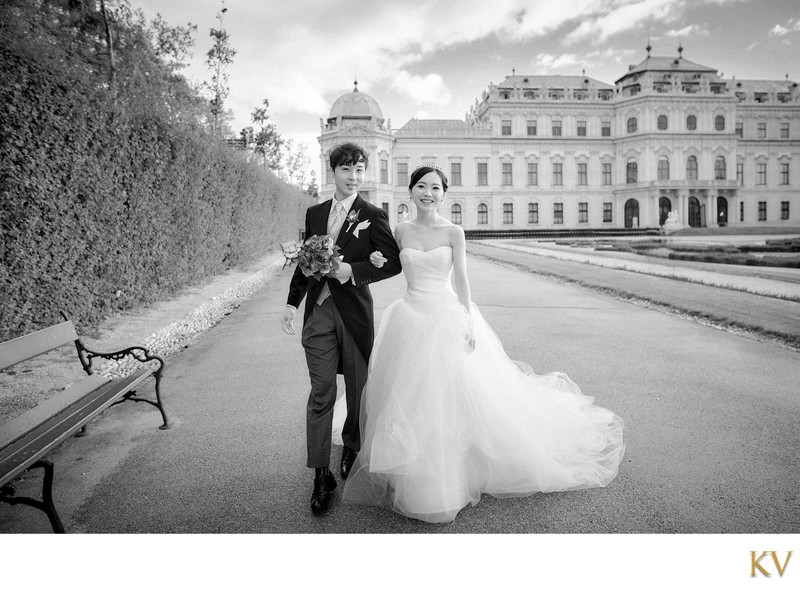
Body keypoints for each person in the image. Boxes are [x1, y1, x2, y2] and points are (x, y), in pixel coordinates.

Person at [341, 164, 625, 523]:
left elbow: (461, 278)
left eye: (435, 188)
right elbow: (386, 264)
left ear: (444, 194)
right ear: (410, 190)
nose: (428, 193)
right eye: (421, 186)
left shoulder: (454, 231)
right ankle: (411, 468)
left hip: (445, 316)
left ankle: (451, 471)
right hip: (409, 317)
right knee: (410, 396)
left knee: (452, 397)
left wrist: (468, 320)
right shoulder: (400, 230)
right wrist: (377, 259)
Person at [281, 142, 401, 516]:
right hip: (318, 315)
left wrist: (354, 270)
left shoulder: (372, 214)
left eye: (360, 170)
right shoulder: (315, 213)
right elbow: (306, 262)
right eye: (347, 170)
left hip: (353, 313)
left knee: (357, 387)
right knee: (321, 393)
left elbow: (392, 263)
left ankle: (351, 445)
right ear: (333, 171)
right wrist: (290, 303)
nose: (354, 177)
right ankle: (321, 475)